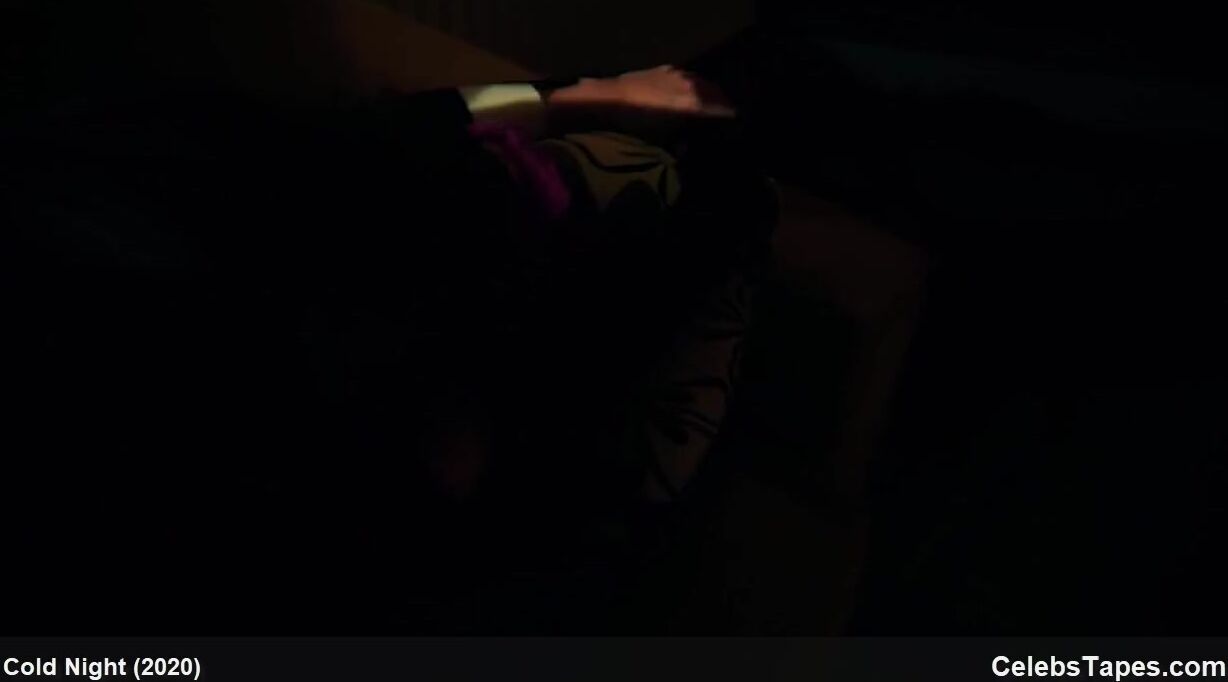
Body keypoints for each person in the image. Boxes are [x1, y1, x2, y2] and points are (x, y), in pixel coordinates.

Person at [4, 2, 776, 629]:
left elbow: (326, 154)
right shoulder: (436, 481)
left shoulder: (101, 195)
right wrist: (717, 198)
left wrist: (565, 99)